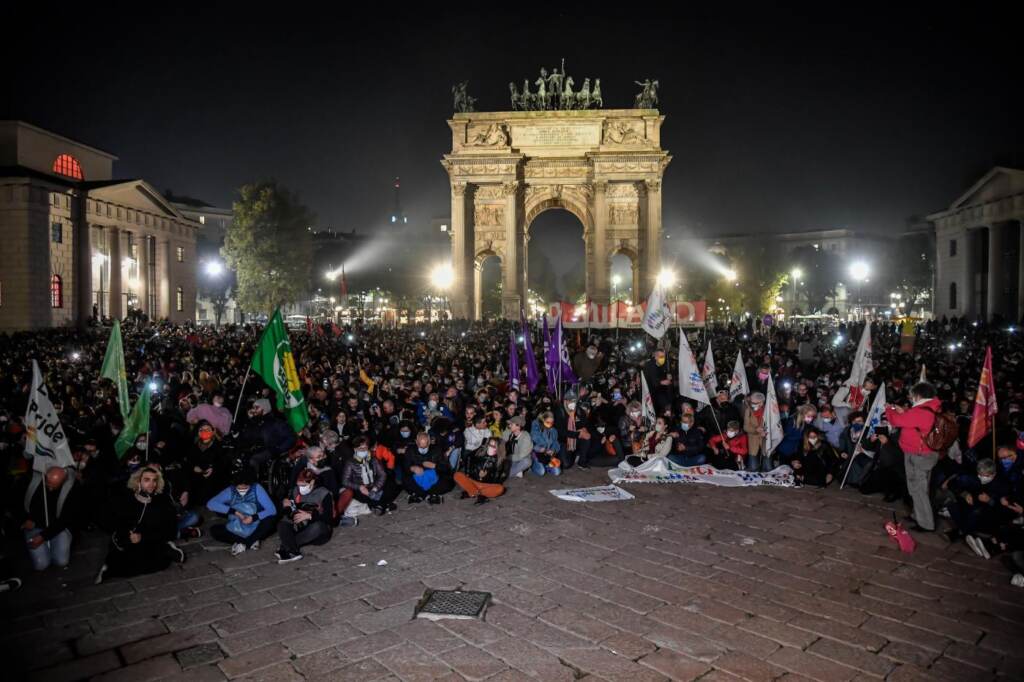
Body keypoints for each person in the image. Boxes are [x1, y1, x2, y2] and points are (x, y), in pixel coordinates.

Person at [97, 466, 183, 583]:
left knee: (158, 563)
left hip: (150, 539)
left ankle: (167, 548)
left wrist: (143, 537)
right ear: (138, 481)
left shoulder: (163, 501)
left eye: (154, 480)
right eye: (147, 480)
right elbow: (114, 522)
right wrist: (127, 535)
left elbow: (168, 530)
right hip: (127, 540)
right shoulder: (126, 498)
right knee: (124, 557)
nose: (151, 484)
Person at [885, 382, 942, 532]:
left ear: (918, 395)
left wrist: (889, 410)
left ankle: (926, 524)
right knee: (918, 487)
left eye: (912, 395)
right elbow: (912, 420)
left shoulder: (921, 412)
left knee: (919, 489)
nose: (910, 398)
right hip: (921, 453)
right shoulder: (930, 407)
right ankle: (918, 515)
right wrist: (903, 411)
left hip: (919, 454)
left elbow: (896, 421)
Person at [17, 466, 80, 571]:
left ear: (63, 480)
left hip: (57, 527)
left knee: (61, 561)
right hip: (34, 526)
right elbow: (14, 503)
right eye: (48, 483)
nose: (49, 489)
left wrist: (43, 536)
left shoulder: (73, 487)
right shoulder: (30, 479)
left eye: (54, 486)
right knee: (41, 565)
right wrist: (24, 519)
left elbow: (67, 518)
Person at [206, 470, 278, 555]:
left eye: (245, 488)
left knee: (270, 521)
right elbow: (210, 504)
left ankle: (244, 544)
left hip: (256, 523)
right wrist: (235, 512)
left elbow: (272, 510)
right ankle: (253, 540)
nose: (242, 490)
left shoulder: (257, 488)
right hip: (238, 525)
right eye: (239, 488)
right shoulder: (230, 490)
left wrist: (253, 517)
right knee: (214, 530)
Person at [275, 469, 335, 564]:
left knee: (318, 527)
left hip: (317, 529)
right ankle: (292, 551)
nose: (300, 488)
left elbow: (329, 518)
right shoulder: (295, 491)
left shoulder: (324, 493)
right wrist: (286, 506)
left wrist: (310, 516)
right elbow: (289, 512)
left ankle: (286, 546)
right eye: (299, 485)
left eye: (303, 486)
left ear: (312, 482)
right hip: (300, 526)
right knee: (282, 523)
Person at [337, 436, 395, 518]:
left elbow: (382, 474)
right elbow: (345, 481)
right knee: (364, 496)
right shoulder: (350, 462)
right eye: (360, 448)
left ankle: (379, 505)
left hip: (374, 486)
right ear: (355, 449)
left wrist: (376, 488)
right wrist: (359, 487)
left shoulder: (374, 459)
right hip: (361, 489)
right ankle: (382, 504)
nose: (363, 450)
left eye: (365, 448)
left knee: (390, 484)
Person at [454, 437, 510, 504]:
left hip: (486, 485)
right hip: (473, 481)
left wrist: (486, 476)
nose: (490, 447)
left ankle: (472, 491)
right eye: (489, 444)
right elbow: (468, 458)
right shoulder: (480, 453)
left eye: (493, 446)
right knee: (457, 475)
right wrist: (475, 474)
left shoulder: (501, 462)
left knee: (500, 489)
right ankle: (477, 493)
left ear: (499, 448)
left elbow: (497, 480)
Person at [404, 431, 455, 503]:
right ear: (416, 442)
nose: (423, 448)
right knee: (405, 481)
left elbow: (446, 468)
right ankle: (431, 495)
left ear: (429, 442)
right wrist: (412, 468)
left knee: (447, 483)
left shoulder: (437, 450)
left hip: (434, 479)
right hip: (417, 477)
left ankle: (420, 494)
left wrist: (435, 466)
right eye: (420, 445)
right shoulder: (410, 450)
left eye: (425, 445)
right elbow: (405, 466)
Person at [529, 411, 562, 476]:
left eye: (552, 422)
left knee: (557, 472)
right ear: (543, 420)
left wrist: (553, 450)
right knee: (541, 472)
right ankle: (533, 463)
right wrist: (541, 448)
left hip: (547, 455)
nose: (550, 424)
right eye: (548, 422)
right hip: (537, 453)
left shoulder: (554, 430)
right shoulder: (536, 428)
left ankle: (545, 465)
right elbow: (532, 443)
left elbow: (556, 443)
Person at [741, 393, 767, 471]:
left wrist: (766, 432)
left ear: (761, 402)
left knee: (768, 468)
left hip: (766, 442)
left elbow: (774, 425)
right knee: (753, 468)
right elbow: (745, 427)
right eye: (752, 402)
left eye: (755, 403)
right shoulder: (748, 411)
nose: (752, 404)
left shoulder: (768, 411)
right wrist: (756, 430)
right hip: (753, 441)